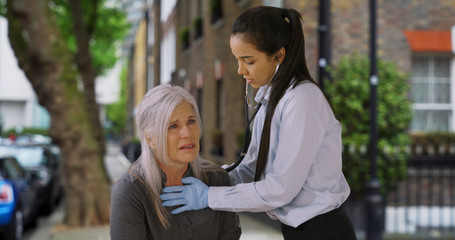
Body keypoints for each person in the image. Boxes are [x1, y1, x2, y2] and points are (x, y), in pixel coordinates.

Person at [160, 6, 357, 240]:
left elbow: (279, 189)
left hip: (323, 231)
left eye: (249, 61)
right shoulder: (271, 98)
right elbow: (251, 168)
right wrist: (206, 176)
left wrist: (208, 196)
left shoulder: (302, 101)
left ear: (279, 56)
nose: (240, 70)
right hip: (298, 231)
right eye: (238, 60)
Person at [110, 85, 241, 240]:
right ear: (150, 139)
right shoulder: (131, 191)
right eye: (173, 126)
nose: (187, 133)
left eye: (191, 121)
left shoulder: (217, 179)